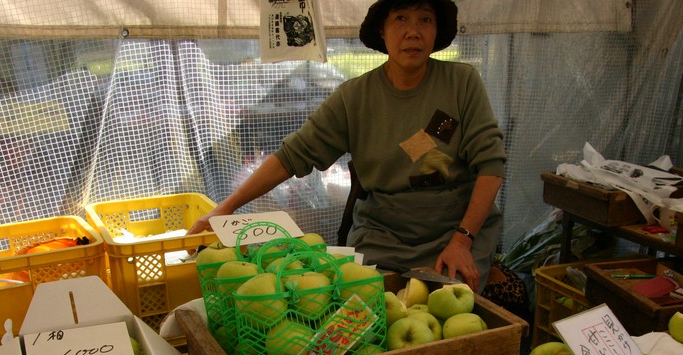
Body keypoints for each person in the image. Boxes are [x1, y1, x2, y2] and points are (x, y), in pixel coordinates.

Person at [190, 0, 506, 293]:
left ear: (436, 30)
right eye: (401, 19)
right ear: (382, 30)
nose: (413, 31)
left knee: (452, 311)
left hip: (454, 229)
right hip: (383, 234)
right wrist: (225, 208)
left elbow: (491, 165)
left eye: (426, 19)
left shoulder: (461, 82)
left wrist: (463, 239)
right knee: (358, 303)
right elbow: (292, 155)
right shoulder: (354, 97)